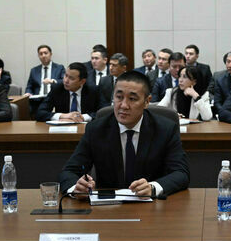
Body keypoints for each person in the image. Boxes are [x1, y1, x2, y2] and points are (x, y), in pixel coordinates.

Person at [57, 70, 190, 197]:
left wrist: (153, 187)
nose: (124, 105)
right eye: (119, 97)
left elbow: (181, 173)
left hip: (151, 204)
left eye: (132, 99)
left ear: (147, 101)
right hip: (109, 205)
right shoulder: (96, 129)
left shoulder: (165, 129)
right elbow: (69, 171)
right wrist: (76, 188)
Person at [35, 62, 100, 123]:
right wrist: (64, 116)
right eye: (65, 75)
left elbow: (103, 113)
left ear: (82, 81)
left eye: (71, 78)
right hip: (63, 128)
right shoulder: (57, 88)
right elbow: (40, 113)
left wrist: (83, 117)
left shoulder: (93, 90)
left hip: (86, 128)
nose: (66, 81)